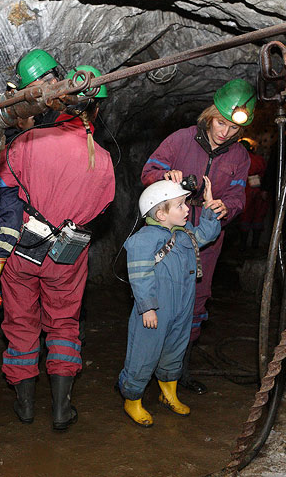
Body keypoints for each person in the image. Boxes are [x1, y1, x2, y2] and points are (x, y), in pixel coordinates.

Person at [0, 65, 115, 431]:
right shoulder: (105, 159)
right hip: (68, 253)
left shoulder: (29, 141)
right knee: (63, 323)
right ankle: (62, 407)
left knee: (21, 321)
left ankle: (26, 404)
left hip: (23, 246)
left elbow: (2, 188)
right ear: (96, 111)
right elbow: (103, 206)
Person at [140, 79, 254, 394]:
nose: (225, 132)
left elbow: (238, 198)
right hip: (168, 234)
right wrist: (165, 177)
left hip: (206, 240)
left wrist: (223, 208)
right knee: (157, 298)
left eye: (233, 127)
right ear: (210, 114)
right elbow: (147, 172)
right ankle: (144, 368)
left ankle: (178, 372)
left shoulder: (239, 157)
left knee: (195, 304)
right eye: (221, 122)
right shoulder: (181, 140)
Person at [0, 48, 62, 354]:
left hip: (41, 206)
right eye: (38, 83)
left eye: (49, 79)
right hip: (8, 197)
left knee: (37, 285)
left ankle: (40, 341)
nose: (45, 86)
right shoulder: (13, 115)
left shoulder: (61, 115)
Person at [118, 178, 221, 427]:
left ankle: (169, 394)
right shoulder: (145, 239)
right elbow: (140, 275)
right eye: (180, 205)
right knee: (144, 353)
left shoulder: (184, 235)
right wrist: (147, 307)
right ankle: (132, 399)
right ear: (161, 214)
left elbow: (208, 233)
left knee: (175, 349)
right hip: (155, 311)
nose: (187, 209)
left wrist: (208, 208)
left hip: (181, 309)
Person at [237, 139, 268, 249]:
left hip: (246, 189)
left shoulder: (241, 159)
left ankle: (243, 245)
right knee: (259, 215)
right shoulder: (259, 159)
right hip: (260, 189)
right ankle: (255, 245)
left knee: (245, 216)